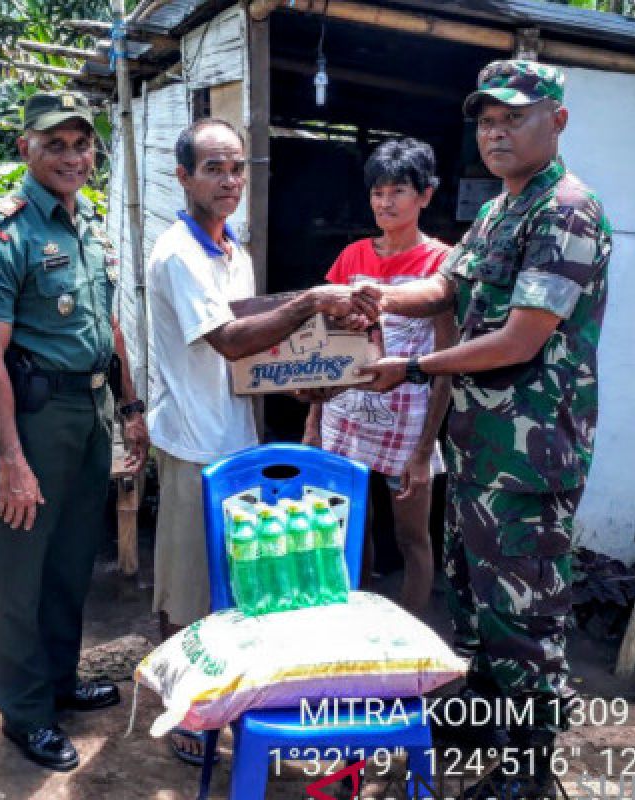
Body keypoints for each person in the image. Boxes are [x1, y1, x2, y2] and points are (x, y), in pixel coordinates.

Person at [347, 61, 612, 800]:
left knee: (524, 615)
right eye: (488, 121)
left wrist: (415, 367)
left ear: (556, 122)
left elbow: (520, 338)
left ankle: (529, 774)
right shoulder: (500, 211)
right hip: (478, 450)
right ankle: (481, 730)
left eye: (514, 118)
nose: (497, 132)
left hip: (529, 457)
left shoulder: (566, 210)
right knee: (477, 600)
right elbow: (449, 286)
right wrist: (382, 296)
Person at [146, 117, 363, 765]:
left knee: (228, 580)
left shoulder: (231, 250)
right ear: (183, 176)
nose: (229, 179)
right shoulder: (178, 254)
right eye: (213, 167)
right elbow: (231, 339)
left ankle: (217, 696)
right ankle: (183, 710)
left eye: (237, 167)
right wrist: (310, 304)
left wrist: (292, 378)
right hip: (191, 442)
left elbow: (248, 355)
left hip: (233, 437)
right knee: (185, 588)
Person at [0, 91, 149, 772]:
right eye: (55, 144)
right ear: (25, 149)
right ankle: (25, 710)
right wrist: (10, 459)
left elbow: (108, 324)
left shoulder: (87, 225)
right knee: (24, 571)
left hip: (92, 411)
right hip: (35, 419)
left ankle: (61, 680)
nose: (72, 156)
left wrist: (129, 408)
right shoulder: (0, 238)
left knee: (72, 559)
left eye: (81, 144)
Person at [302, 138, 455, 614]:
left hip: (408, 424)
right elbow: (324, 351)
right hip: (344, 416)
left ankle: (412, 642)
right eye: (377, 192)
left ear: (426, 196)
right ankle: (356, 624)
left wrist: (426, 448)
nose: (385, 202)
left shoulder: (442, 264)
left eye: (398, 191)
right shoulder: (350, 258)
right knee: (349, 528)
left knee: (412, 536)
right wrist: (312, 423)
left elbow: (447, 363)